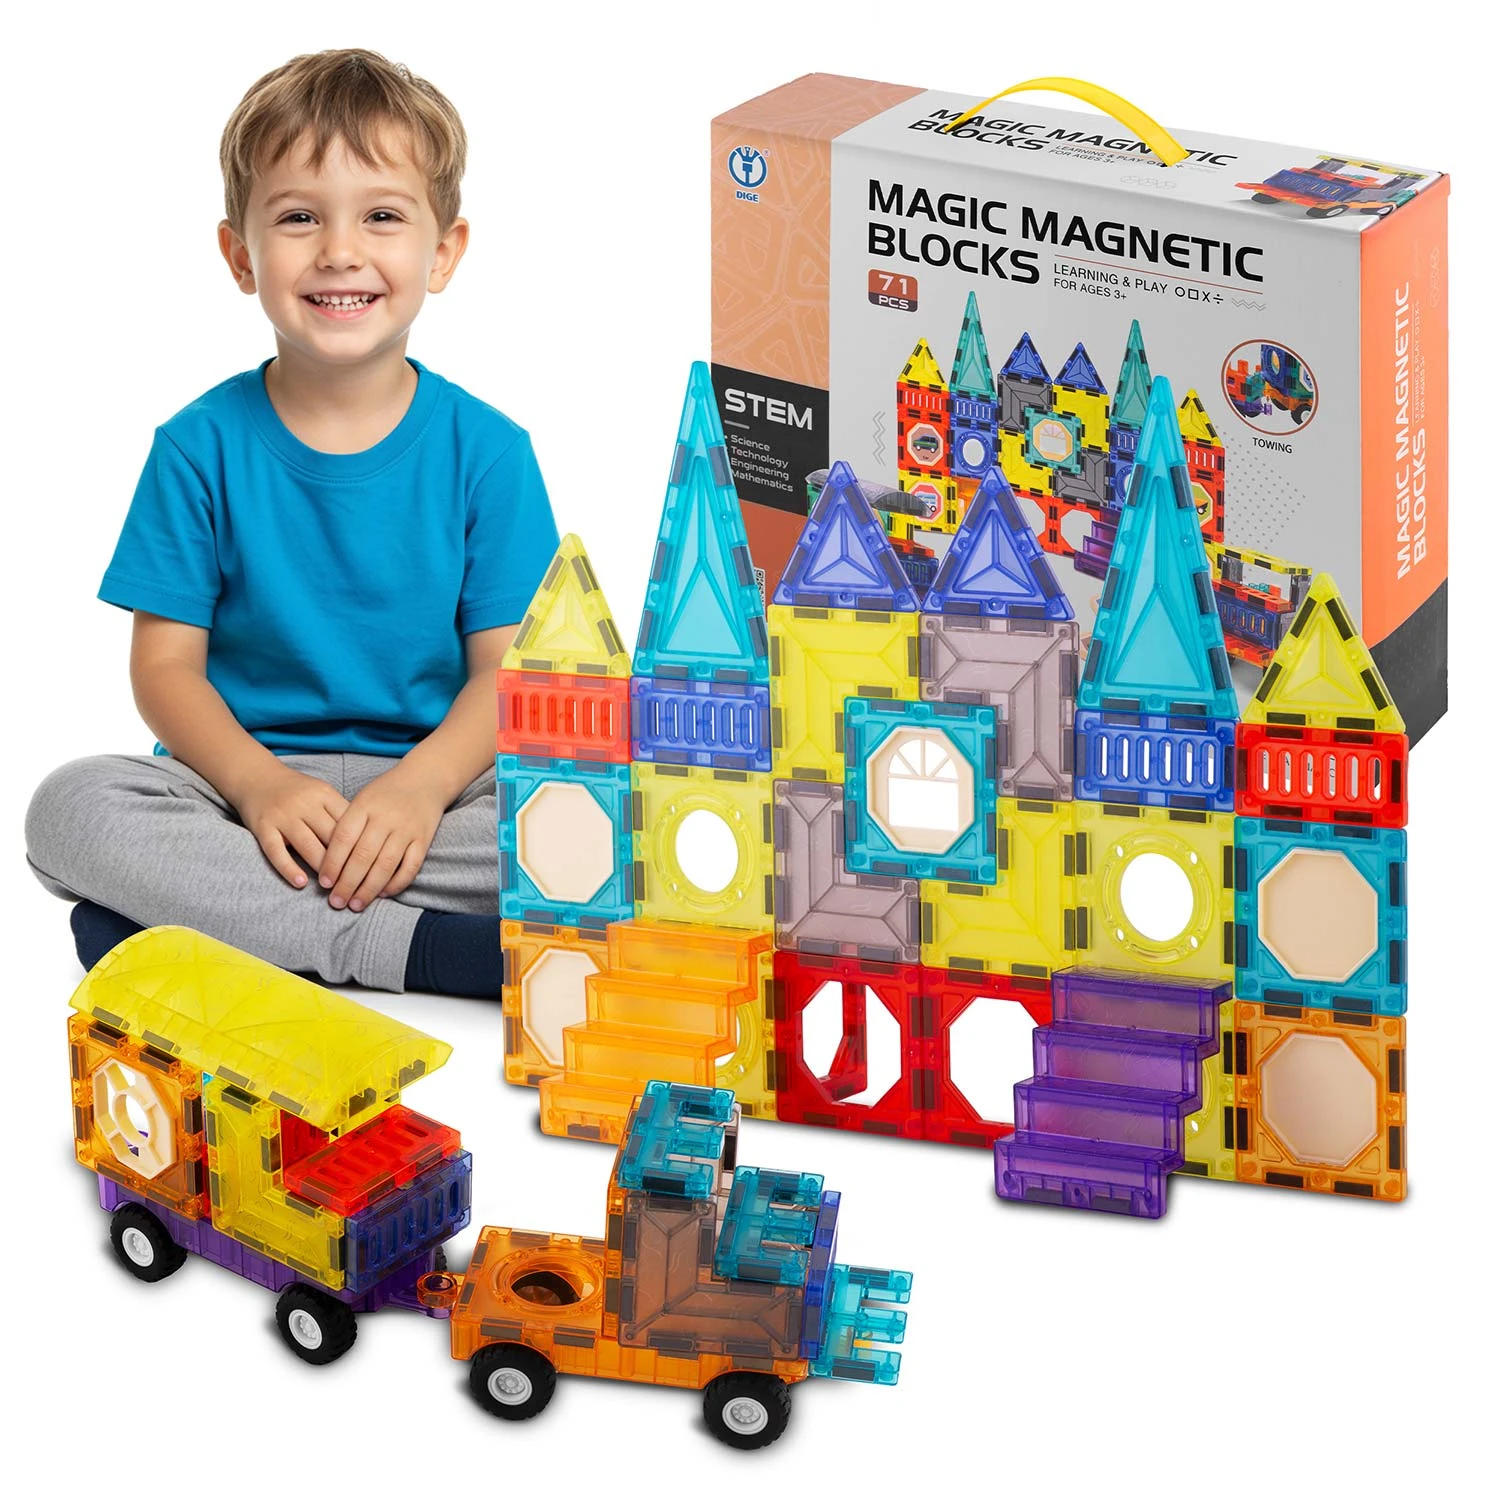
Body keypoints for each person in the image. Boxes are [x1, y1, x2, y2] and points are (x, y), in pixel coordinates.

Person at [25, 49, 558, 996]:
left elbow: (507, 679)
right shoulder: (196, 447)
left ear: (443, 252)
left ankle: (199, 922)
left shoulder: (490, 451)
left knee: (606, 819)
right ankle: (421, 950)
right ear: (241, 256)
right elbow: (164, 669)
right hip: (241, 796)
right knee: (71, 807)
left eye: (382, 216)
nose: (340, 251)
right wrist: (257, 783)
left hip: (438, 795)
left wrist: (419, 788)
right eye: (299, 217)